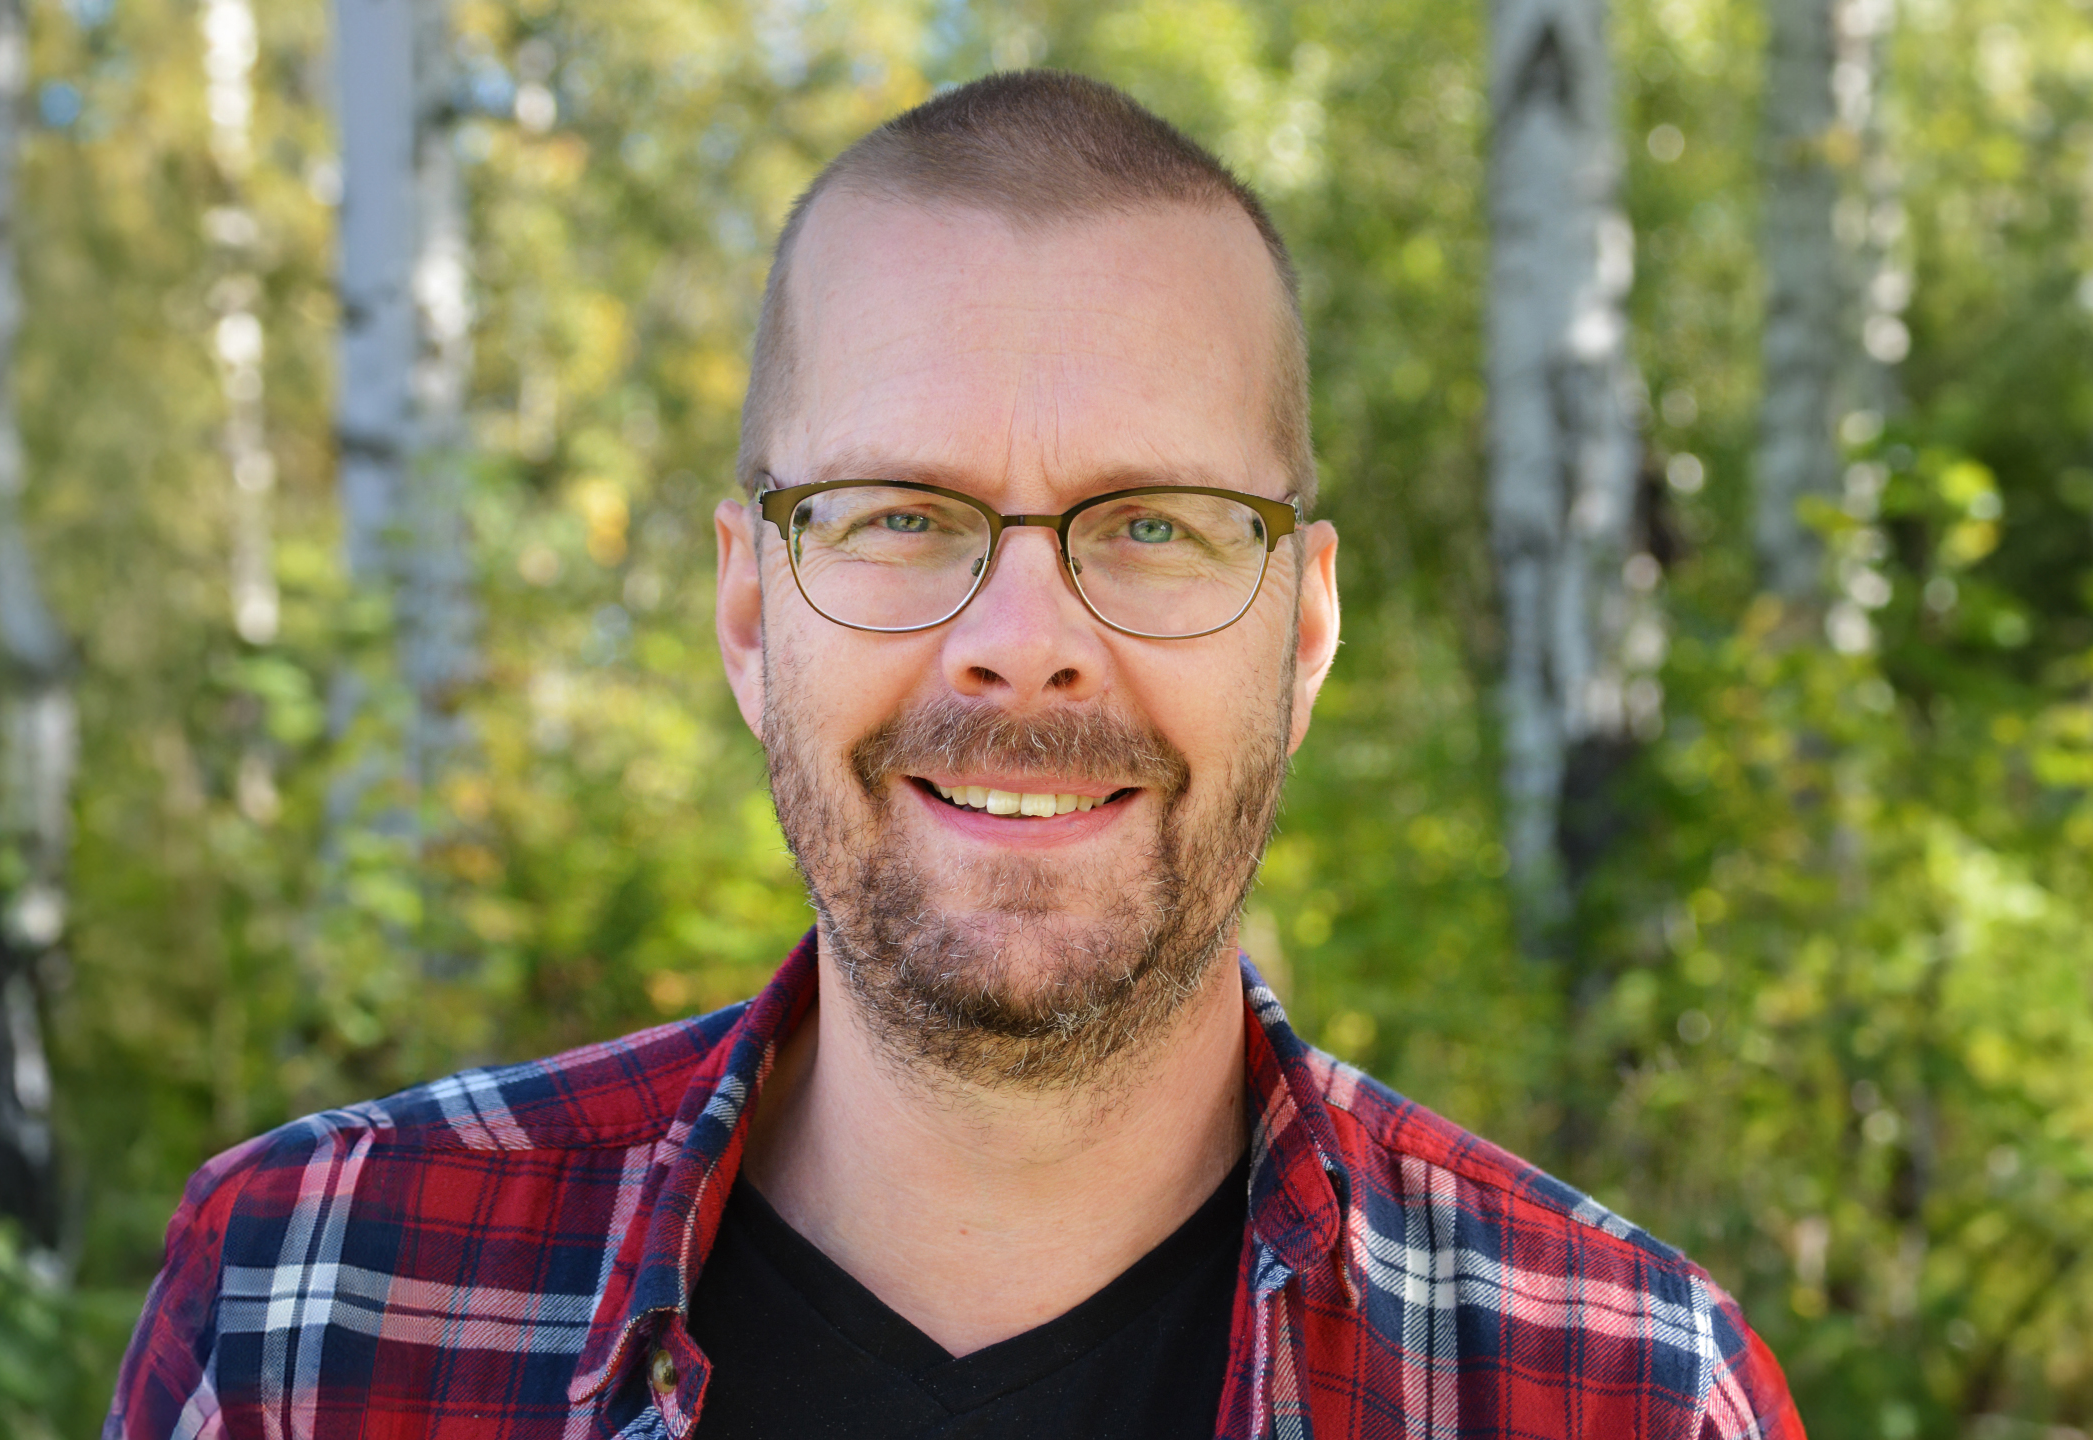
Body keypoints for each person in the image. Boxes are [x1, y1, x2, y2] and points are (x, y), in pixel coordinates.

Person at [107, 71, 1802, 1440]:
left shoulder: (1628, 1395)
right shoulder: (314, 1314)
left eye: (1153, 523)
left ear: (1302, 629)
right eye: (903, 515)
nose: (1022, 638)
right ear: (750, 612)